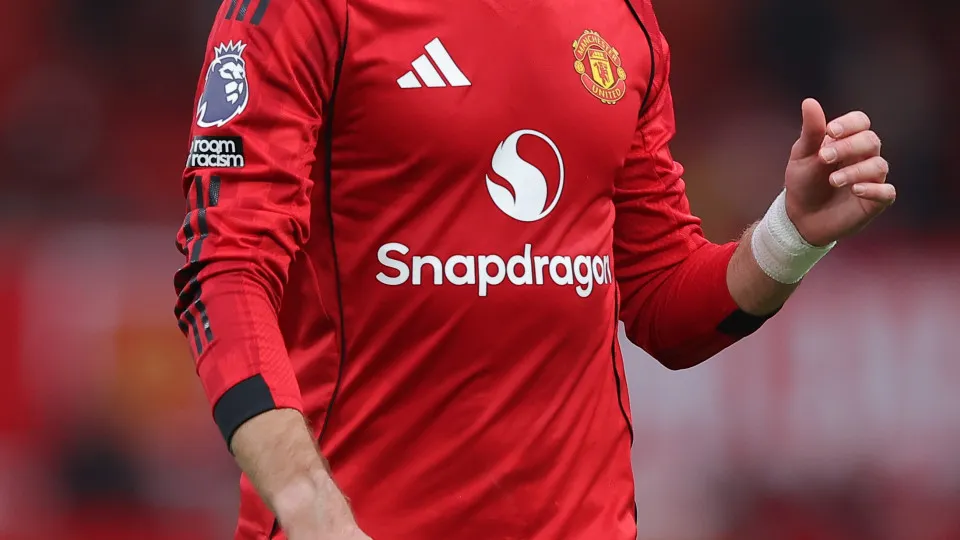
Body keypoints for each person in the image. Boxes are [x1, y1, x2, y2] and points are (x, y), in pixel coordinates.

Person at [173, 0, 895, 538]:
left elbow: (660, 298)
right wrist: (309, 505)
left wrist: (789, 236)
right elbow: (225, 268)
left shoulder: (622, 17)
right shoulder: (301, 10)